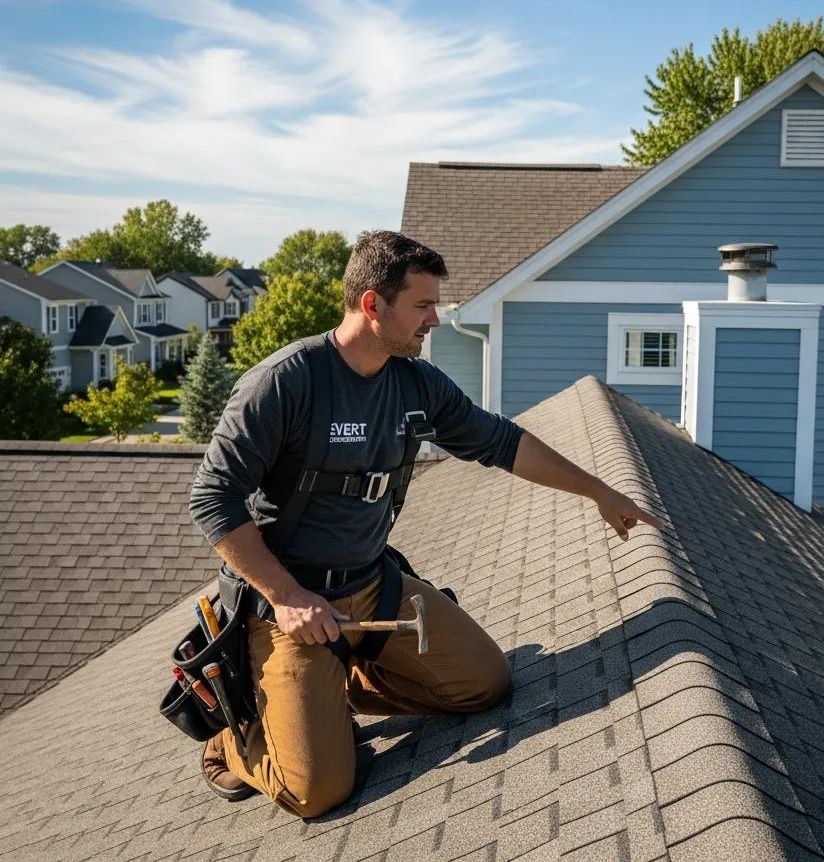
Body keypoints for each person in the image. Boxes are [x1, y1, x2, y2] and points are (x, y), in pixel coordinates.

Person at [189, 230, 663, 818]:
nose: (434, 319)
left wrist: (599, 490)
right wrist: (287, 596)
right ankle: (231, 742)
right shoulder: (287, 383)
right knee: (318, 792)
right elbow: (213, 498)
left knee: (485, 684)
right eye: (422, 305)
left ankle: (328, 700)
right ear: (371, 305)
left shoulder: (415, 383)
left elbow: (503, 443)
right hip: (291, 608)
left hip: (371, 586)